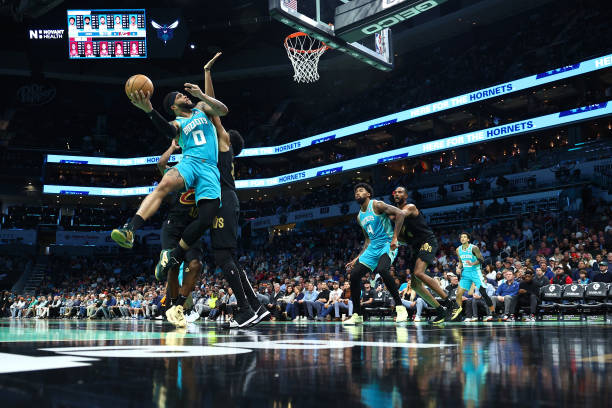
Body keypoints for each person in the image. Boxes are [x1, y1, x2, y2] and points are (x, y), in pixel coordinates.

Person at [111, 73, 229, 284]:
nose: (185, 96)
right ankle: (130, 230)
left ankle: (173, 255)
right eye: (180, 97)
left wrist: (201, 94)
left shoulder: (201, 108)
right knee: (163, 185)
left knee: (205, 219)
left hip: (210, 169)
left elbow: (223, 110)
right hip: (190, 161)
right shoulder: (177, 123)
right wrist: (149, 111)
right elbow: (166, 130)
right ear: (174, 107)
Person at [202, 52, 265, 327]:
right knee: (229, 257)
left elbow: (215, 111)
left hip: (225, 201)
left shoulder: (224, 141)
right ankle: (254, 306)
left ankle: (245, 310)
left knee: (221, 255)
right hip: (227, 200)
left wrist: (207, 74)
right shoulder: (223, 153)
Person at [343, 183, 408, 325]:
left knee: (383, 270)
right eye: (356, 192)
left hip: (386, 244)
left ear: (368, 194)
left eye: (361, 191)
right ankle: (357, 314)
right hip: (372, 248)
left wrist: (395, 238)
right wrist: (357, 258)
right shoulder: (360, 216)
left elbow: (400, 213)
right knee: (354, 276)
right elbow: (367, 239)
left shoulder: (377, 205)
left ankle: (400, 308)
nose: (357, 193)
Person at [392, 186, 451, 324]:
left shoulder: (410, 207)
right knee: (416, 286)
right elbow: (403, 239)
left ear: (406, 196)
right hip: (415, 247)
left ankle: (450, 304)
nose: (397, 194)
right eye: (395, 192)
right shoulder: (396, 219)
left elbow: (400, 215)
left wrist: (394, 237)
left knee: (419, 273)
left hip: (427, 241)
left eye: (400, 192)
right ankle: (440, 310)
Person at [452, 232, 494, 321]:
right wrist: (458, 268)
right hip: (466, 273)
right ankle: (457, 313)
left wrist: (472, 263)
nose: (462, 238)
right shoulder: (458, 249)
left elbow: (481, 259)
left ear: (468, 239)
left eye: (464, 237)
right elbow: (460, 261)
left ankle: (492, 313)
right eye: (461, 237)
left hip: (476, 272)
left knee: (483, 293)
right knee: (459, 293)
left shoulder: (474, 248)